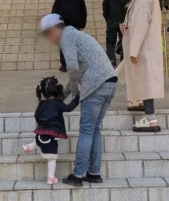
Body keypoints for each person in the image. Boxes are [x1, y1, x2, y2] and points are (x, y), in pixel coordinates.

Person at [39, 13, 117, 187]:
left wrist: (74, 92)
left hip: (95, 85)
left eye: (47, 34)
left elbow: (73, 68)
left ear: (53, 30)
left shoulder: (66, 38)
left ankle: (78, 174)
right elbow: (78, 71)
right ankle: (94, 173)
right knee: (94, 129)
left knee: (87, 130)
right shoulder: (76, 35)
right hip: (109, 82)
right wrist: (62, 96)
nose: (49, 39)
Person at [120, 0, 165, 132]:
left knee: (146, 81)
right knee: (144, 81)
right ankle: (147, 112)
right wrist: (126, 27)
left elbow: (140, 27)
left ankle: (151, 119)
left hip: (143, 47)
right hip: (143, 46)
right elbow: (136, 23)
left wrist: (133, 51)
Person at [23, 75, 79, 185]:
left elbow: (36, 115)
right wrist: (77, 99)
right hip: (51, 138)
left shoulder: (42, 103)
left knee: (39, 141)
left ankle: (29, 146)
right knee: (52, 158)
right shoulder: (58, 104)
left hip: (40, 134)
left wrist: (42, 123)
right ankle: (51, 177)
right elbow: (69, 108)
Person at [51, 0, 87, 72]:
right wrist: (83, 24)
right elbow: (83, 11)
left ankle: (64, 65)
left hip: (63, 24)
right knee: (76, 44)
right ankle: (76, 64)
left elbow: (54, 11)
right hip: (76, 24)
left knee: (63, 44)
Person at [102, 0, 131, 65]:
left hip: (112, 20)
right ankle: (124, 59)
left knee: (110, 42)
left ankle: (111, 60)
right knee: (124, 41)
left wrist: (107, 18)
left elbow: (105, 8)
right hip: (124, 21)